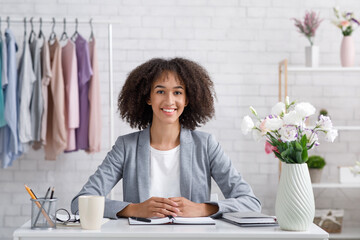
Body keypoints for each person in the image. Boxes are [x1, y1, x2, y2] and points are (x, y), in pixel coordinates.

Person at [71, 57, 261, 219]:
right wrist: (134, 209)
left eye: (177, 92)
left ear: (187, 99)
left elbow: (251, 203)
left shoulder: (206, 145)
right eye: (160, 91)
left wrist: (202, 208)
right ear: (148, 98)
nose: (169, 101)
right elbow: (79, 203)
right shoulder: (126, 147)